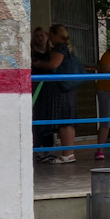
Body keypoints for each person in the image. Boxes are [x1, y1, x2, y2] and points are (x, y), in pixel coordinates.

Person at [37, 24, 81, 163]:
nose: (49, 38)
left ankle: (67, 154)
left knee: (65, 121)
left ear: (57, 35)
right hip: (66, 89)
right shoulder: (67, 47)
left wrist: (39, 64)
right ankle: (68, 153)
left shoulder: (60, 48)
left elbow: (53, 64)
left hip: (61, 91)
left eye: (51, 35)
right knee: (67, 121)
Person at [30, 27, 54, 159]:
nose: (40, 38)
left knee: (48, 117)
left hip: (49, 88)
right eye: (37, 36)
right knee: (36, 116)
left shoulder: (52, 54)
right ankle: (37, 148)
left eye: (42, 35)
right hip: (35, 88)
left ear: (47, 37)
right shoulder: (31, 54)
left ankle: (48, 149)